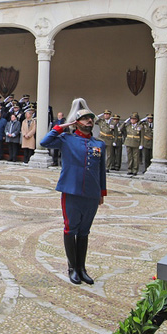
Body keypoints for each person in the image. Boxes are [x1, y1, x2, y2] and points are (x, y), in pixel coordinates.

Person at [40, 98, 107, 285]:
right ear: (77, 122)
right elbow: (44, 142)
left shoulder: (99, 144)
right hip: (71, 191)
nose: (89, 122)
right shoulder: (66, 139)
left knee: (84, 231)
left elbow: (101, 170)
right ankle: (72, 268)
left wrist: (101, 192)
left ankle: (82, 268)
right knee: (71, 229)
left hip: (92, 194)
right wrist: (61, 126)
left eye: (91, 119)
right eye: (85, 119)